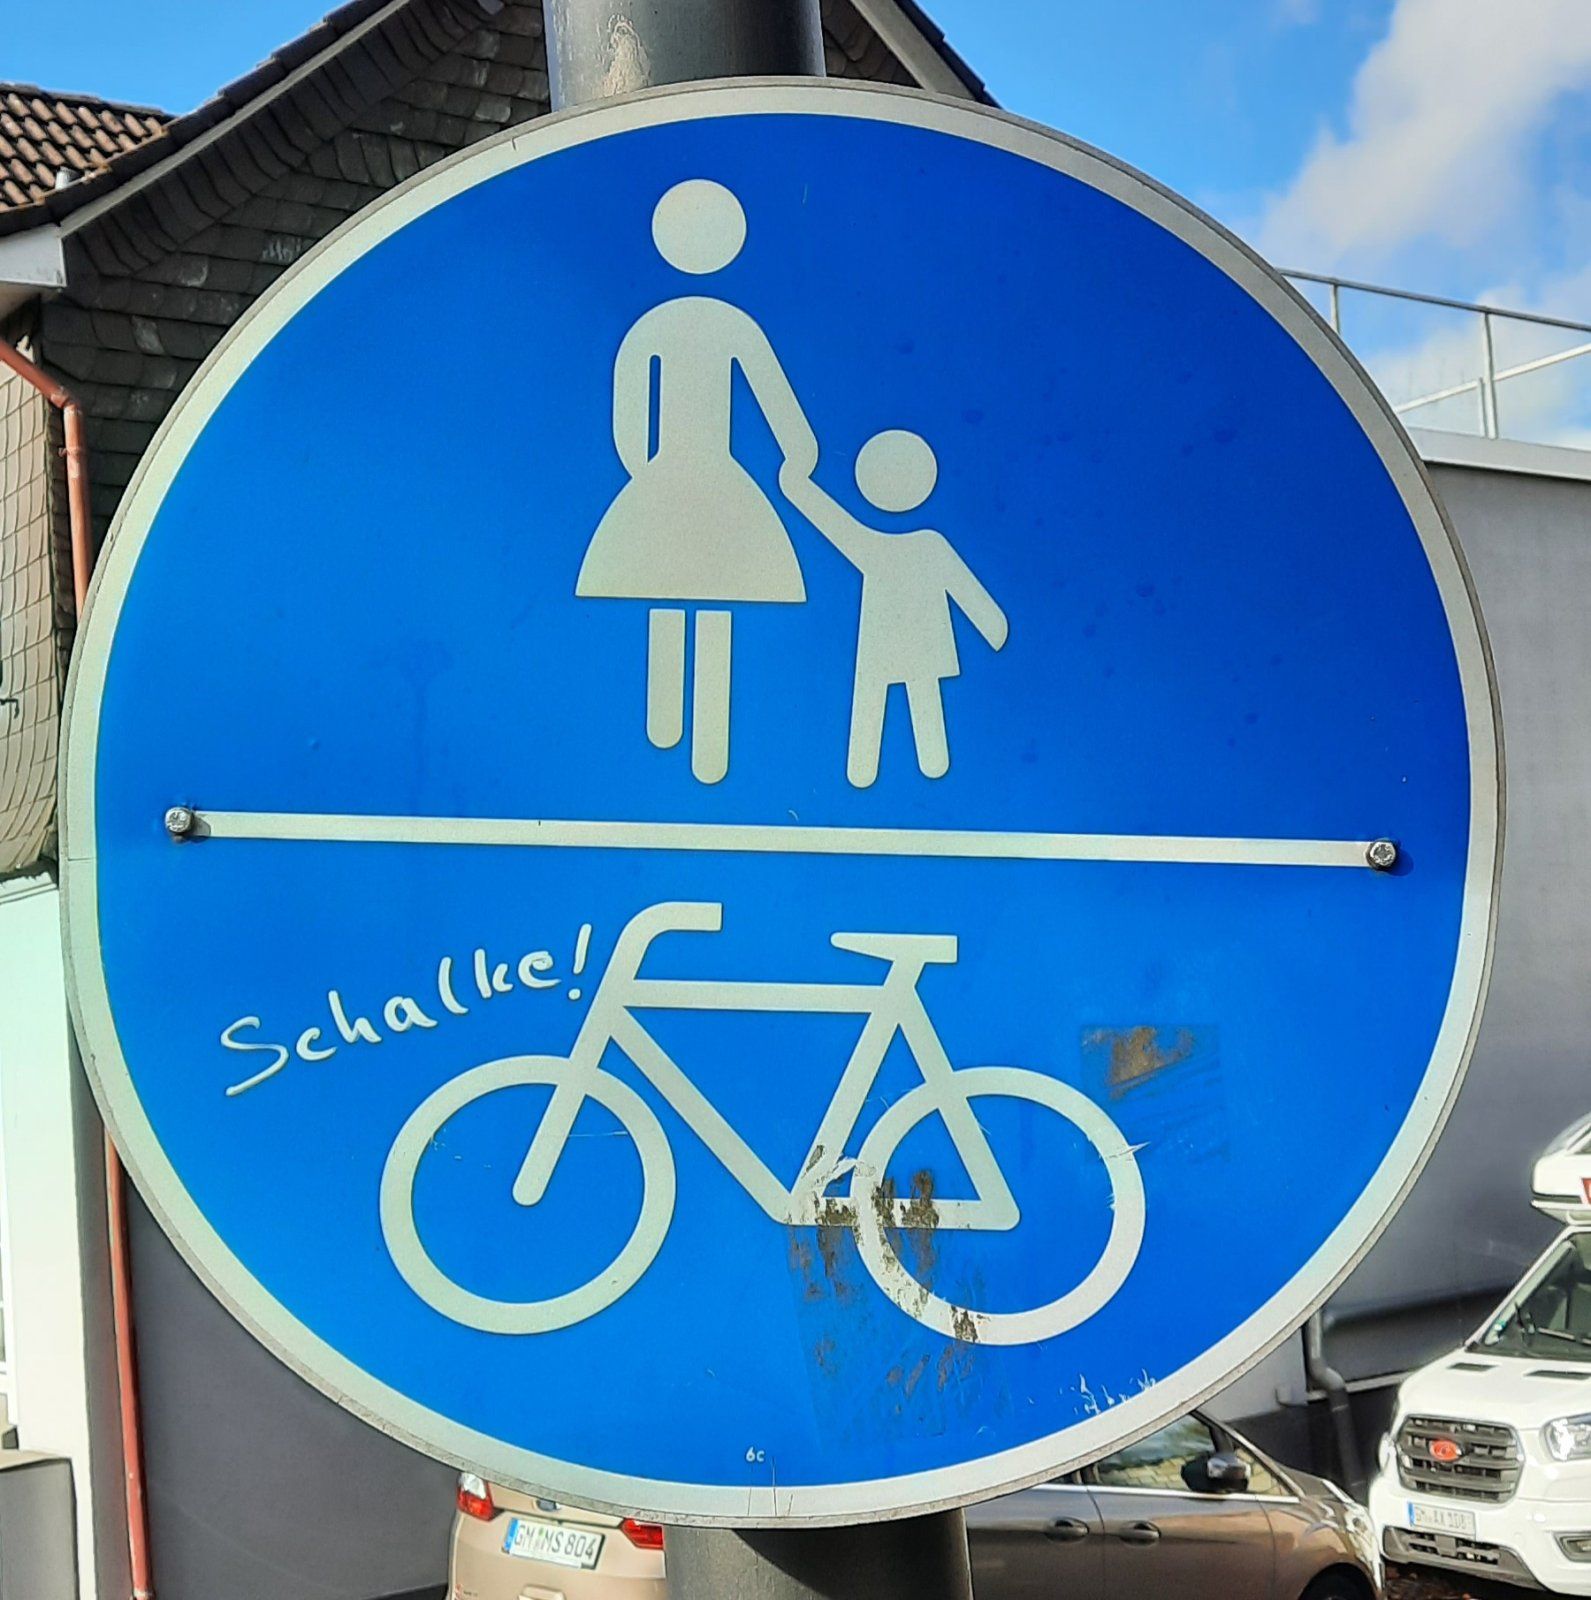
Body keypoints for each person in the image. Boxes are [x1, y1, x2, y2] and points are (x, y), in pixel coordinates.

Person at [577, 178, 817, 785]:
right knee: (714, 594)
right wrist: (799, 455)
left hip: (671, 475)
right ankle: (690, 741)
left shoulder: (657, 325)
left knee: (677, 587)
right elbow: (780, 408)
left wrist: (647, 477)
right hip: (711, 476)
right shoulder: (726, 324)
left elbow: (628, 422)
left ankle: (680, 735)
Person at [781, 430, 1008, 788]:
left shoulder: (891, 547)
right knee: (896, 698)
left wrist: (796, 484)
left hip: (895, 645)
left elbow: (965, 589)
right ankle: (869, 773)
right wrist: (993, 627)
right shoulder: (921, 545)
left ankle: (877, 773)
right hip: (900, 645)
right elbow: (968, 592)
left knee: (896, 699)